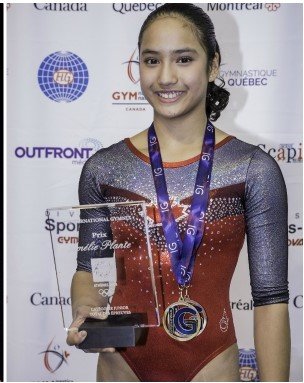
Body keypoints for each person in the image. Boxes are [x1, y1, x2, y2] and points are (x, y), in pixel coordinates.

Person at [66, 3, 290, 381]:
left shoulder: (252, 168)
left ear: (213, 65)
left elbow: (271, 301)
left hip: (211, 363)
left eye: (183, 59)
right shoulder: (104, 167)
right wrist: (87, 307)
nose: (166, 77)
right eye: (152, 61)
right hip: (122, 363)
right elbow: (89, 270)